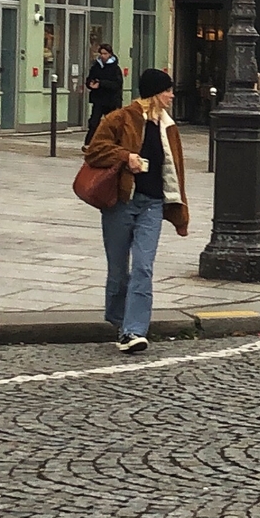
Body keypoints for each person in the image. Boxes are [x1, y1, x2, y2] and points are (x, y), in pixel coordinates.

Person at [83, 67, 187, 351]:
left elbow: (175, 170)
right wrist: (126, 156)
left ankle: (134, 331)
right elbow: (94, 150)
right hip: (121, 203)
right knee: (118, 270)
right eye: (167, 90)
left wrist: (179, 208)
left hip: (152, 205)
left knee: (143, 267)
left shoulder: (168, 127)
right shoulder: (120, 118)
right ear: (155, 92)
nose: (172, 95)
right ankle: (119, 320)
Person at [84, 41, 125, 142]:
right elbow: (89, 79)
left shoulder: (115, 69)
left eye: (105, 54)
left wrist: (101, 83)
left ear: (110, 54)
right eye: (101, 53)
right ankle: (89, 143)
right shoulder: (96, 67)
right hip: (98, 99)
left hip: (112, 100)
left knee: (113, 124)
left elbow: (117, 85)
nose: (103, 56)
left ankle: (117, 143)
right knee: (94, 123)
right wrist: (90, 84)